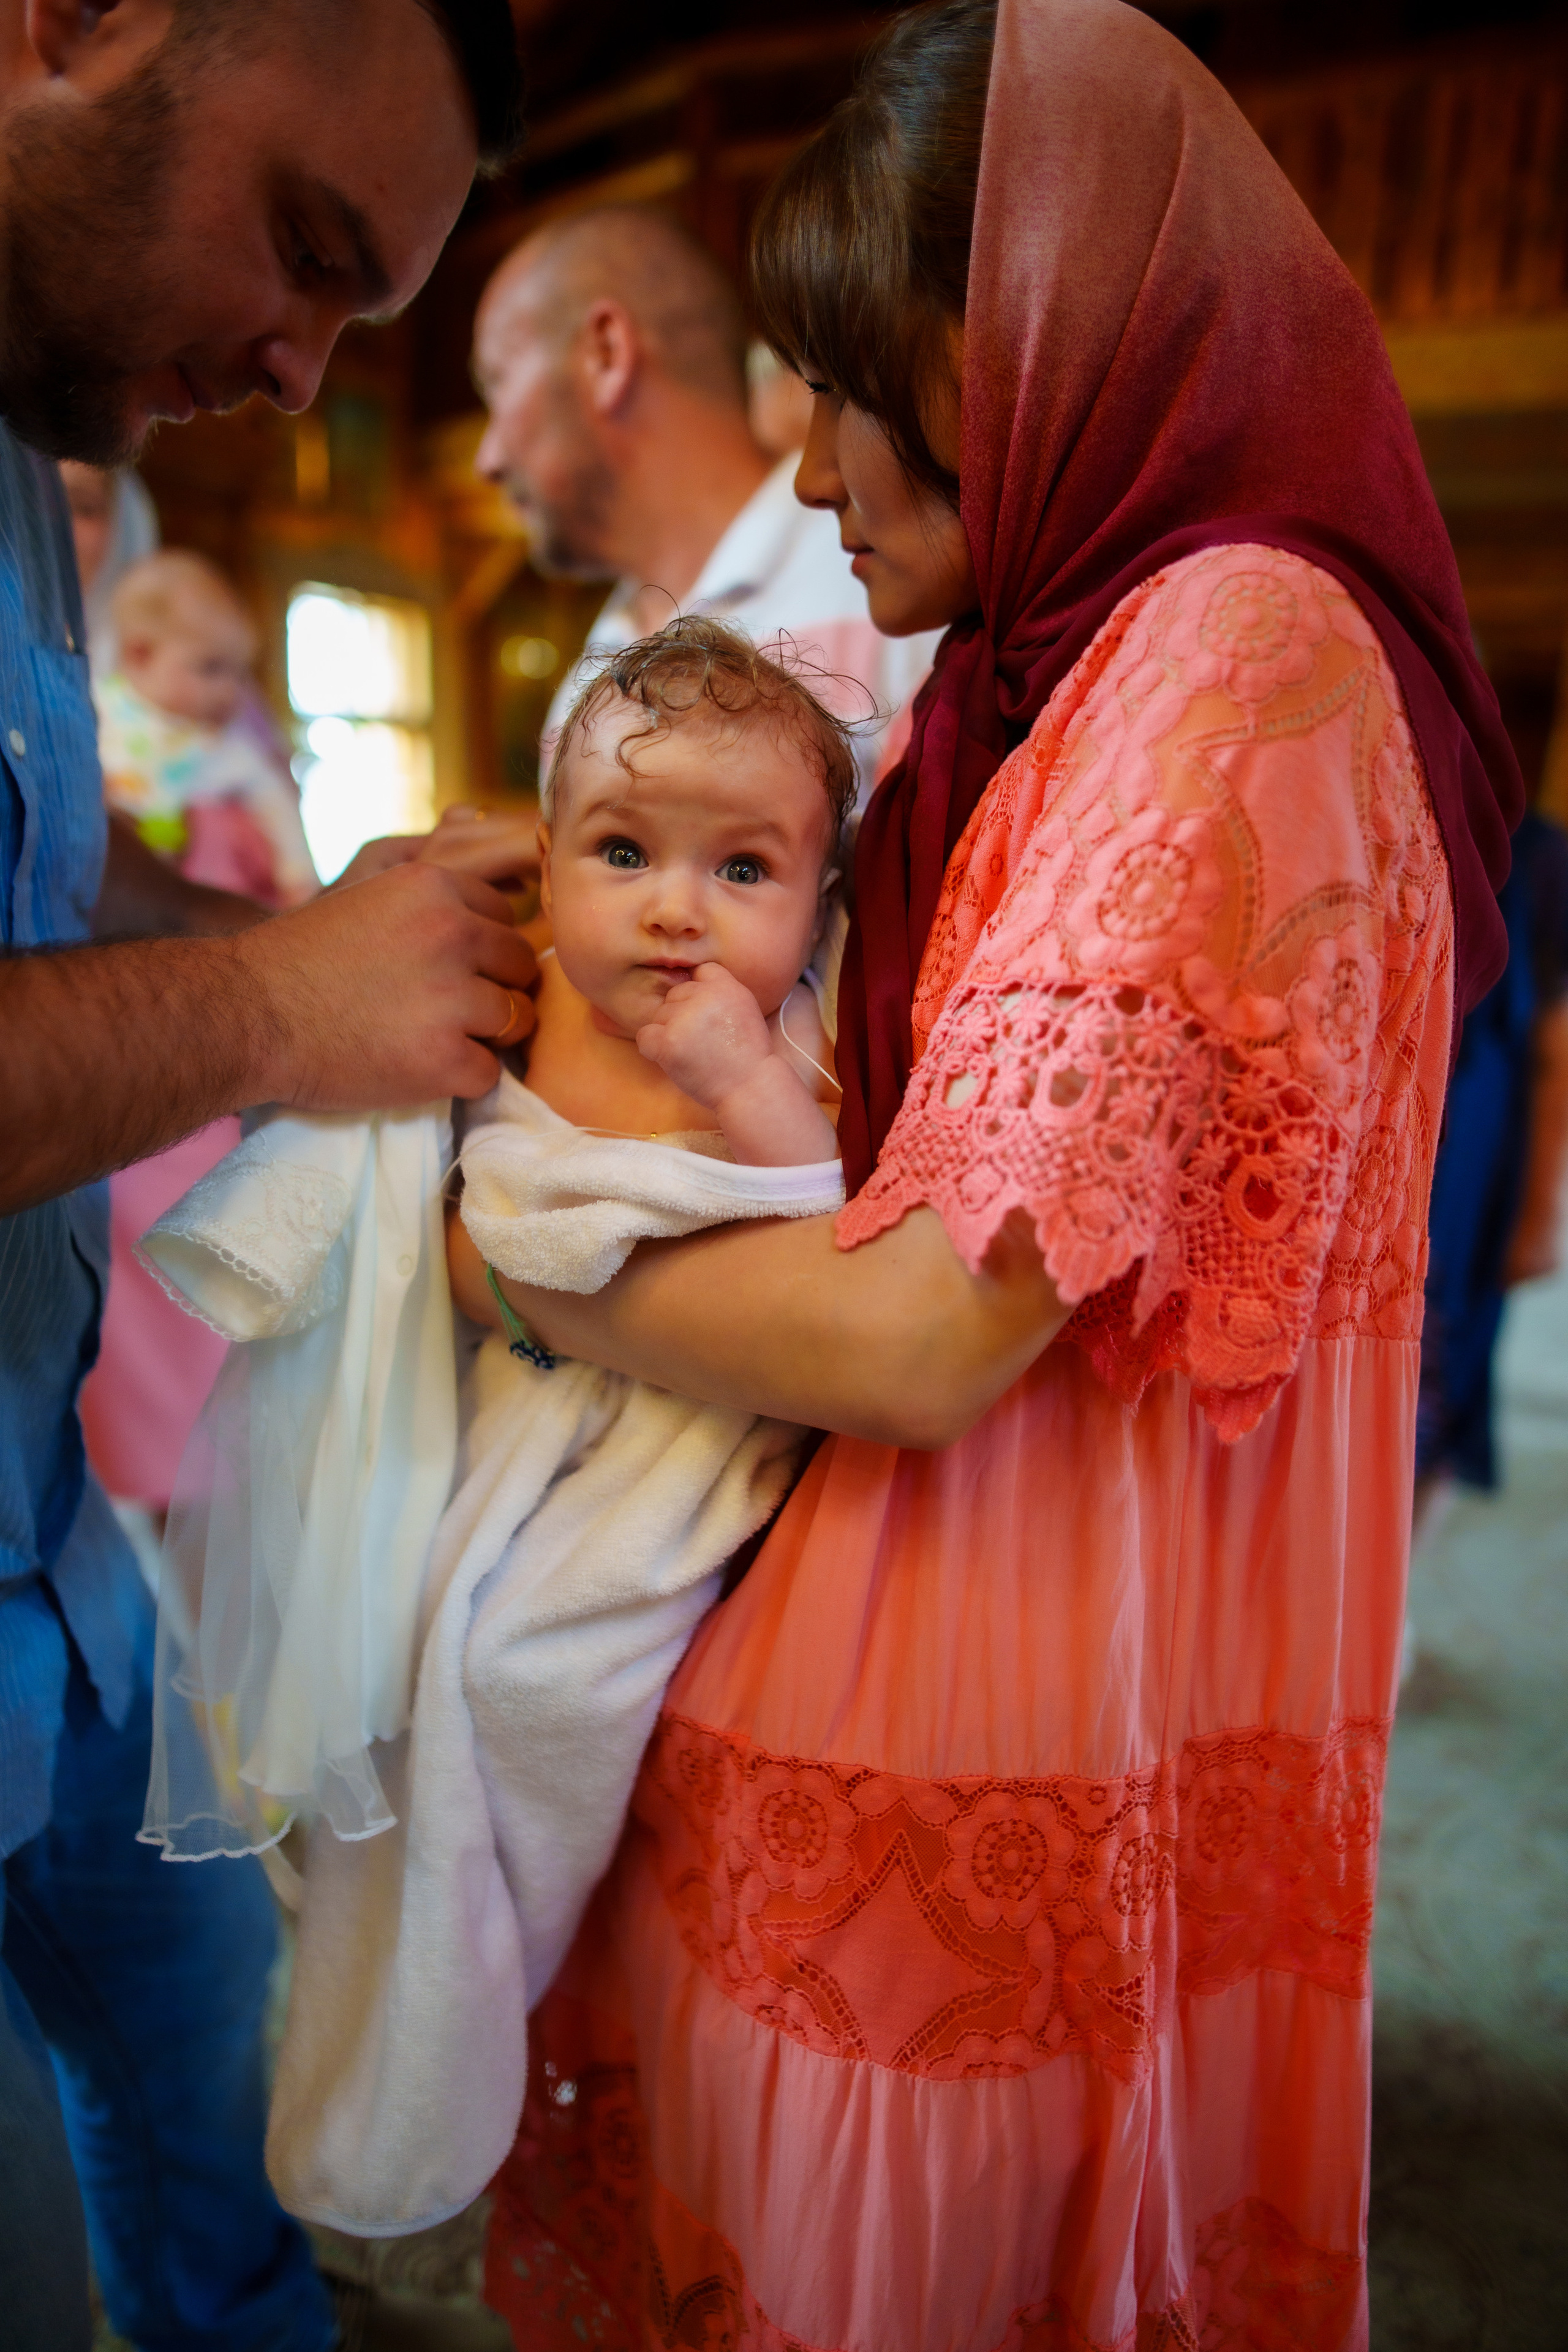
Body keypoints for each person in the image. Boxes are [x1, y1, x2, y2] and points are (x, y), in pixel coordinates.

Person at [473, 4, 1523, 2347]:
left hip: (979, 1746)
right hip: (920, 1700)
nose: (810, 460)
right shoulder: (1041, 678)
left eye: (851, 382)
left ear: (1037, 335)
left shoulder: (1234, 651)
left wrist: (515, 1268)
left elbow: (929, 1326)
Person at [0, 4, 536, 2348]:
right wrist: (276, 1009)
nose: (303, 378)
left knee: (207, 2024)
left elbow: (50, 876)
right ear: (76, 22)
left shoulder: (33, 428)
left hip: (42, 1540)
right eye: (306, 249)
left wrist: (328, 928)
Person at [137, 617, 851, 2236]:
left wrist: (745, 1088)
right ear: (551, 852)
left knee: (532, 1674)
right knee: (393, 1656)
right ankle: (388, 2006)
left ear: (816, 903)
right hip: (503, 1398)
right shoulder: (528, 994)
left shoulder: (784, 1032)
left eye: (743, 870)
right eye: (623, 852)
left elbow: (821, 1229)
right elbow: (414, 1138)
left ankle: (483, 1986)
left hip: (670, 1444)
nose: (675, 909)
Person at [471, 205, 941, 828]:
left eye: (498, 384)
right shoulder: (584, 689)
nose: (487, 459)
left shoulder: (881, 580)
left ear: (607, 353)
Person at [79, 548, 316, 1535]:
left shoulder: (236, 775)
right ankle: (147, 1468)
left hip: (217, 1061)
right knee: (128, 1271)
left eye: (235, 672)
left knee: (216, 1245)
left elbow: (291, 886)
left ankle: (221, 1463)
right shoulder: (102, 749)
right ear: (139, 656)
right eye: (207, 669)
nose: (226, 693)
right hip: (118, 1047)